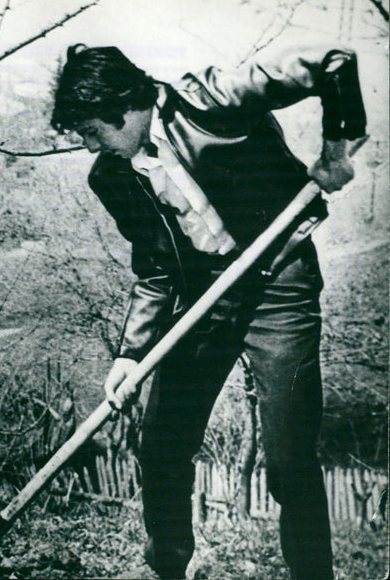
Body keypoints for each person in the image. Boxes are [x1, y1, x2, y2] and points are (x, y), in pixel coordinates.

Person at [50, 44, 366, 580]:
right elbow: (155, 268)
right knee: (163, 442)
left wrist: (337, 148)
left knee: (289, 455)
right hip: (207, 298)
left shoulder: (210, 99)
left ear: (123, 107)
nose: (89, 145)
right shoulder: (112, 176)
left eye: (92, 130)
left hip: (278, 281)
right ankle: (169, 569)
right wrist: (131, 355)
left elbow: (332, 60)